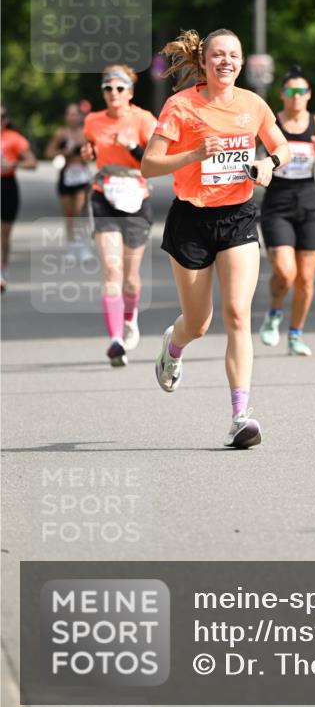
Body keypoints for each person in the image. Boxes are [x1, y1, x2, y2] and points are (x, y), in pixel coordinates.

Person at [141, 27, 289, 449]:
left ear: (242, 62)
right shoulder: (181, 105)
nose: (226, 61)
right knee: (199, 323)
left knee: (238, 315)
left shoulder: (253, 104)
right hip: (191, 220)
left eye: (234, 55)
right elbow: (149, 165)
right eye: (218, 55)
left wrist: (269, 163)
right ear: (204, 62)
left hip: (237, 217)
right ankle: (173, 347)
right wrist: (194, 154)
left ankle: (240, 417)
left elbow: (283, 147)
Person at [259, 65, 315, 356]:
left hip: (310, 205)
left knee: (305, 279)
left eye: (302, 91)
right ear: (282, 94)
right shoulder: (271, 123)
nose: (297, 96)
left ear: (309, 94)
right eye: (291, 91)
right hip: (277, 205)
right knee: (285, 272)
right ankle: (274, 313)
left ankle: (295, 334)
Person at [82, 66, 156, 367]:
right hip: (104, 195)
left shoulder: (143, 119)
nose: (113, 93)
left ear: (130, 92)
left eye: (119, 88)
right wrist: (88, 153)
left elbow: (155, 160)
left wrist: (133, 147)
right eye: (108, 88)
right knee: (112, 270)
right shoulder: (93, 121)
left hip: (136, 196)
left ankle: (129, 317)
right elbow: (91, 148)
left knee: (131, 278)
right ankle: (115, 341)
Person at [45, 103, 91, 258]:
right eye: (69, 114)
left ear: (80, 116)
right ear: (66, 117)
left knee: (80, 210)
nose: (72, 117)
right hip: (66, 176)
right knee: (69, 213)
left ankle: (83, 245)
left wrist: (85, 155)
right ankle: (71, 245)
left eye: (75, 114)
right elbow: (49, 153)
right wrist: (64, 152)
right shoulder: (61, 133)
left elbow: (94, 153)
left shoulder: (86, 133)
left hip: (82, 176)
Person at [0, 106, 37, 293]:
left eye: (1, 117)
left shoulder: (14, 138)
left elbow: (32, 162)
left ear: (6, 120)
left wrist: (14, 164)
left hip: (7, 185)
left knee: (4, 234)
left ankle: (3, 268)